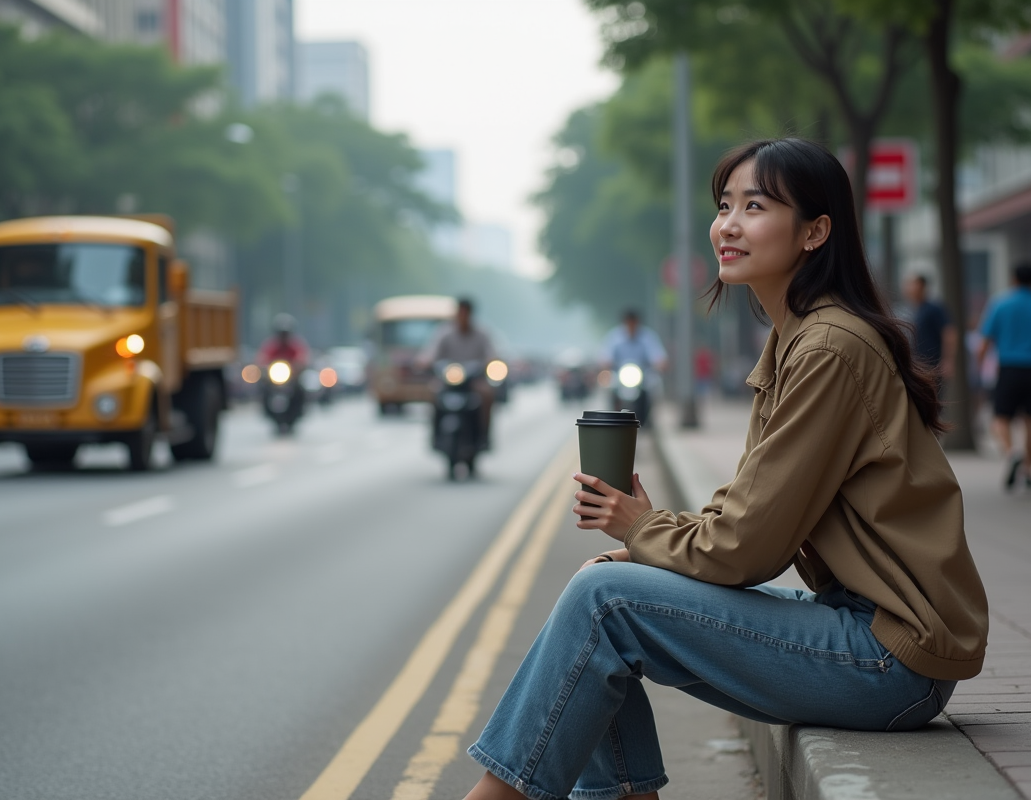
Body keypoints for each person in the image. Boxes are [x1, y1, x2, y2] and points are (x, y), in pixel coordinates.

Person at [462, 138, 988, 800]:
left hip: (891, 660)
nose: (728, 224)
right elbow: (746, 509)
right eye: (725, 205)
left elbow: (746, 547)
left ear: (815, 231)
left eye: (756, 206)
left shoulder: (828, 349)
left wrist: (644, 526)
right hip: (871, 637)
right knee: (606, 584)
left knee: (605, 602)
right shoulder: (799, 339)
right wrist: (641, 537)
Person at [976, 262, 1031, 491]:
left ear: (1013, 279)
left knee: (1000, 418)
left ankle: (1011, 452)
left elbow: (984, 343)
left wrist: (980, 367)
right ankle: (1028, 470)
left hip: (1008, 368)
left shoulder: (1000, 304)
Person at [420, 298, 498, 446]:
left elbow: (491, 355)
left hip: (473, 380)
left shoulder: (482, 334)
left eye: (465, 313)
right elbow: (430, 353)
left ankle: (484, 435)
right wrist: (424, 362)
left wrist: (491, 362)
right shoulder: (444, 333)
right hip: (448, 380)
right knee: (432, 392)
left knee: (487, 394)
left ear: (470, 314)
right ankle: (435, 435)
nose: (462, 317)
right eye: (459, 313)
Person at [599, 310, 668, 425]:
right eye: (628, 323)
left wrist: (660, 364)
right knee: (607, 385)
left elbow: (658, 356)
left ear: (638, 323)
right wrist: (605, 362)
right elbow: (605, 355)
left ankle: (649, 416)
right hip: (620, 375)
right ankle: (612, 413)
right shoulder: (614, 337)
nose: (631, 326)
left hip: (642, 375)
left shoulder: (648, 337)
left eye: (633, 323)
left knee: (655, 384)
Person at [902, 274, 956, 391]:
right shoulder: (915, 310)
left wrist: (948, 360)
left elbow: (949, 333)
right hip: (920, 364)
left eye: (912, 284)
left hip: (933, 364)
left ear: (921, 286)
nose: (908, 288)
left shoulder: (934, 309)